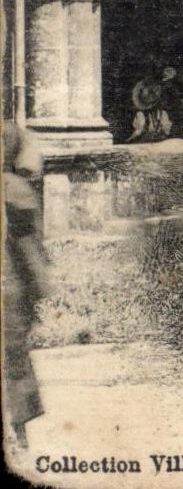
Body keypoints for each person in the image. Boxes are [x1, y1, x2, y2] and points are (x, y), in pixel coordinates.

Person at [3, 124, 49, 450]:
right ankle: (18, 431)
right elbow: (30, 252)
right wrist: (40, 290)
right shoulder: (15, 190)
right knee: (14, 357)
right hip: (8, 290)